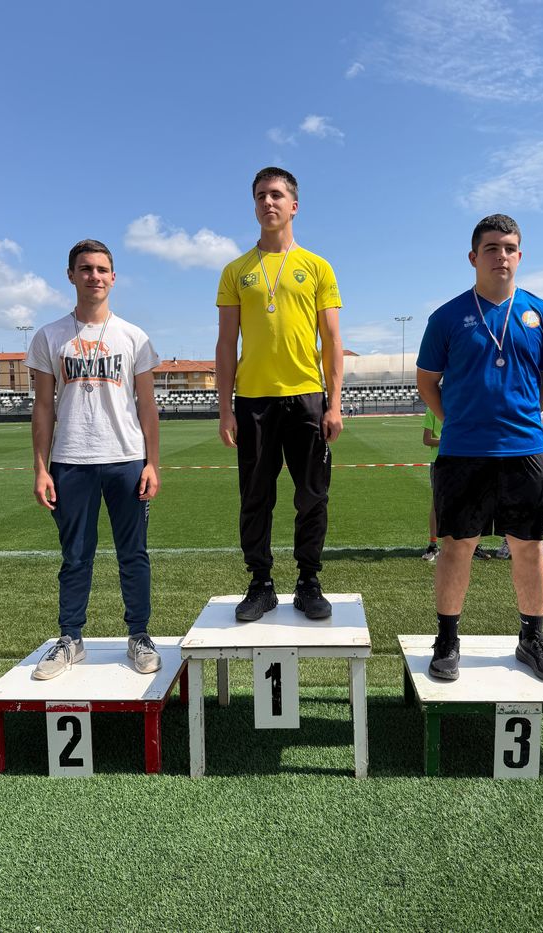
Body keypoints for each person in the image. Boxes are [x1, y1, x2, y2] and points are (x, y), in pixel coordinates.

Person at [417, 214, 543, 682]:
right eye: (491, 248)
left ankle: (532, 638)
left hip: (525, 452)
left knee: (529, 548)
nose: (500, 256)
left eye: (509, 248)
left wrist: (517, 416)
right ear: (473, 257)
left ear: (519, 256)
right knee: (456, 546)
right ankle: (447, 639)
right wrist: (460, 421)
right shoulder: (446, 317)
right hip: (463, 453)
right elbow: (427, 383)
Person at [27, 239, 162, 680]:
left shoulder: (133, 336)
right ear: (71, 275)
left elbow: (147, 406)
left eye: (102, 269)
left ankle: (139, 635)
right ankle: (70, 639)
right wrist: (41, 468)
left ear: (113, 277)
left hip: (125, 458)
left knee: (133, 554)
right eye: (85, 269)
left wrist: (152, 462)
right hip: (71, 460)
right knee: (76, 556)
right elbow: (43, 406)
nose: (94, 276)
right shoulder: (49, 336)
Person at [215, 167, 343, 621]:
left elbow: (331, 341)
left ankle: (308, 582)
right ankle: (261, 583)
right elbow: (226, 344)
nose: (267, 203)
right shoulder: (236, 271)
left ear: (294, 205)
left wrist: (336, 402)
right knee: (255, 497)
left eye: (276, 195)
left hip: (307, 397)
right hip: (253, 402)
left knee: (312, 495)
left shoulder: (317, 267)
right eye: (260, 196)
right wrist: (224, 409)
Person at [422, 406, 489, 562]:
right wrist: (448, 440)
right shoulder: (432, 408)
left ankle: (473, 545)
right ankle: (433, 545)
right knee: (437, 504)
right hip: (440, 460)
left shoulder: (466, 405)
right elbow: (426, 439)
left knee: (470, 503)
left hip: (465, 459)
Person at [496, 404, 543, 560]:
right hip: (512, 457)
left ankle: (540, 541)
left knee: (541, 501)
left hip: (539, 456)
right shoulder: (517, 399)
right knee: (512, 500)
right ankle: (507, 541)